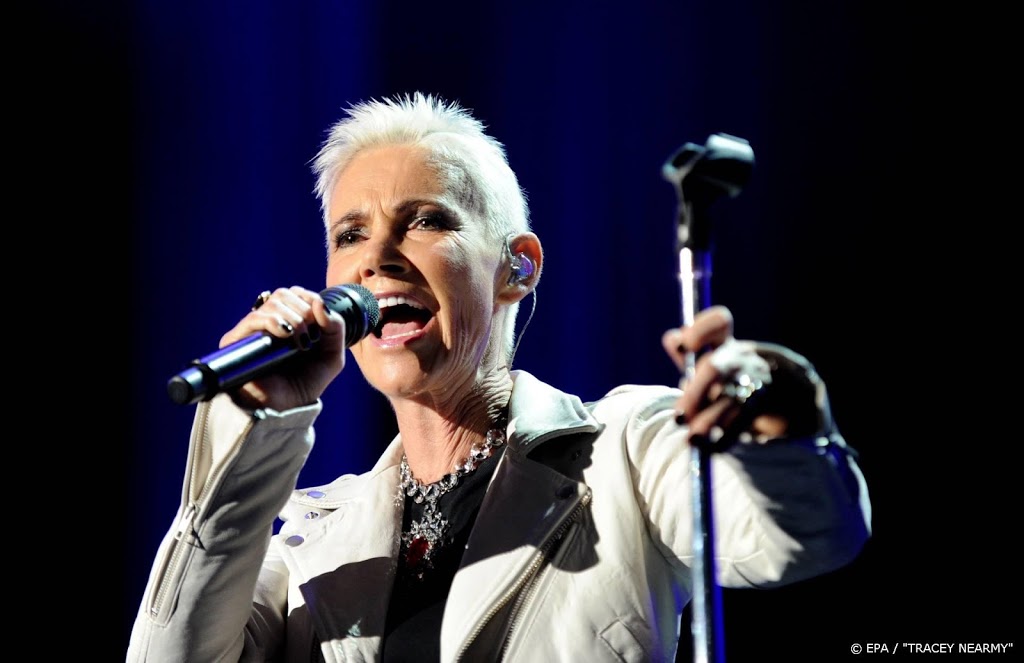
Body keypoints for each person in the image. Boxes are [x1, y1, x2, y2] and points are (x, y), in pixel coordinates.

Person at [127, 92, 871, 662]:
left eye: (426, 220)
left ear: (518, 266)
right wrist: (254, 429)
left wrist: (777, 415)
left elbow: (802, 537)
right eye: (350, 234)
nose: (376, 257)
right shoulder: (308, 539)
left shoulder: (627, 450)